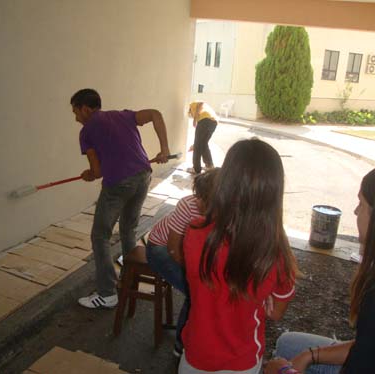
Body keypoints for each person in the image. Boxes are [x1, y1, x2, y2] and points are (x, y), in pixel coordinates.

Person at [265, 163, 375, 374]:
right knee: (290, 343)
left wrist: (283, 370)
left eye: (362, 204)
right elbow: (371, 344)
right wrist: (310, 355)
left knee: (280, 357)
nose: (356, 211)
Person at [180, 138, 298, 373]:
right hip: (242, 361)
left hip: (195, 355)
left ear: (224, 181)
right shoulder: (276, 253)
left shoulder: (193, 232)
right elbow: (275, 312)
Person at [70, 88, 170, 309]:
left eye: (76, 112)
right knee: (128, 228)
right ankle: (129, 275)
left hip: (119, 184)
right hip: (143, 176)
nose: (76, 118)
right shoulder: (122, 115)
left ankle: (107, 293)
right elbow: (155, 113)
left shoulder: (86, 132)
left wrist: (88, 175)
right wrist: (165, 148)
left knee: (100, 236)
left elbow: (97, 171)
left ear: (85, 109)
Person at [145, 168, 220, 357]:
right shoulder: (189, 206)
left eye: (204, 198)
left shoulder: (227, 209)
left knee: (209, 290)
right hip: (161, 248)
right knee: (196, 293)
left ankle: (204, 334)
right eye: (198, 196)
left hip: (188, 250)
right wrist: (195, 275)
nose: (198, 201)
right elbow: (173, 249)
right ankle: (181, 345)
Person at [187, 102, 219, 174]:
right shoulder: (204, 112)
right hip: (213, 123)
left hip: (205, 121)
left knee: (198, 146)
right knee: (203, 144)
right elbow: (200, 141)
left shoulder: (192, 104)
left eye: (190, 114)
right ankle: (209, 166)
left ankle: (196, 169)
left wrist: (194, 119)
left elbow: (201, 103)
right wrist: (195, 144)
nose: (191, 116)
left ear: (190, 110)